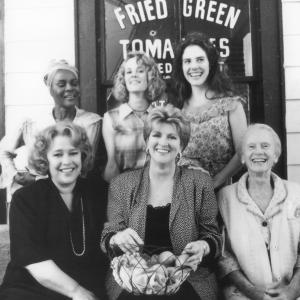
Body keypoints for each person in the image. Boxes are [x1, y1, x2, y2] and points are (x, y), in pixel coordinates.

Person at [101, 105, 222, 300]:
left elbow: (213, 236)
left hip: (186, 277)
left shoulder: (199, 182)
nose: (163, 142)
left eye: (172, 137)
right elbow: (108, 236)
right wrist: (117, 238)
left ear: (181, 146)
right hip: (134, 278)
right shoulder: (122, 184)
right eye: (156, 135)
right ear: (147, 141)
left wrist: (203, 246)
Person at [0, 122, 108, 300]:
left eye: (73, 153)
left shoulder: (99, 193)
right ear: (45, 159)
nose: (67, 161)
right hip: (31, 288)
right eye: (58, 154)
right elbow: (32, 260)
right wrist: (76, 292)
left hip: (86, 286)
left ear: (82, 156)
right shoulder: (25, 199)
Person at [218, 124, 300, 300]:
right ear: (242, 157)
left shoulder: (296, 194)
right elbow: (224, 258)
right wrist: (256, 294)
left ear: (276, 155)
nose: (258, 152)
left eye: (265, 146)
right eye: (251, 147)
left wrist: (291, 292)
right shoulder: (225, 198)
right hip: (242, 294)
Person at [0, 59, 101, 194]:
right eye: (61, 84)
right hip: (36, 196)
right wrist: (14, 174)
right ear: (50, 88)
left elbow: (84, 167)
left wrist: (37, 179)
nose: (70, 88)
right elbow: (3, 150)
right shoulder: (32, 124)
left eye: (74, 83)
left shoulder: (90, 122)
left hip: (73, 195)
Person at [172, 32, 247, 189]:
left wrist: (217, 180)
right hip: (182, 193)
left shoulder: (230, 105)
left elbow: (243, 152)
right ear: (182, 67)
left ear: (210, 63)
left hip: (220, 192)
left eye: (200, 60)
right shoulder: (177, 107)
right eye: (187, 61)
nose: (194, 67)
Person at [102, 51, 166, 182]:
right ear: (123, 78)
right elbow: (111, 167)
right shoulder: (111, 118)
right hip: (125, 192)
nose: (134, 75)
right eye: (129, 72)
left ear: (151, 77)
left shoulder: (161, 117)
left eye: (140, 71)